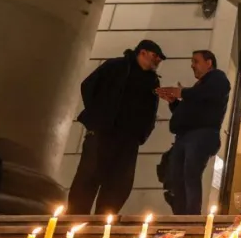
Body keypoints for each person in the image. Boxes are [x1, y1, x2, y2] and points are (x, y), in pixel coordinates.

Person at [68, 40, 164, 215]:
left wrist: (142, 133)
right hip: (103, 131)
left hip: (129, 138)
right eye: (155, 56)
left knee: (119, 182)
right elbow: (88, 86)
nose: (157, 61)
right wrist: (98, 115)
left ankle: (104, 221)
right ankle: (75, 218)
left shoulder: (152, 81)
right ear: (142, 52)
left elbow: (150, 109)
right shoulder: (115, 66)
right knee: (89, 176)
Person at [157, 50, 230, 215]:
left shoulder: (218, 79)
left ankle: (190, 217)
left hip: (201, 135)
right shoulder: (199, 88)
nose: (192, 65)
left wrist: (182, 93)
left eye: (196, 61)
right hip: (185, 136)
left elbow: (206, 96)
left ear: (209, 62)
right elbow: (191, 111)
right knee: (177, 178)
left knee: (190, 175)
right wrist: (174, 102)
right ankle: (181, 215)